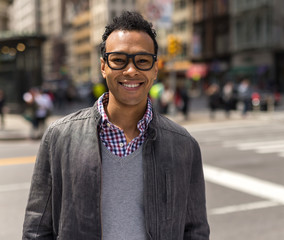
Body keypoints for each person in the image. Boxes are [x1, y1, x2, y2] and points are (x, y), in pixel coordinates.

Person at [22, 11, 210, 240]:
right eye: (119, 60)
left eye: (142, 61)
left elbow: (195, 230)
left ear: (155, 69)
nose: (131, 70)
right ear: (103, 66)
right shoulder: (58, 138)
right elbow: (37, 229)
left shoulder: (184, 145)